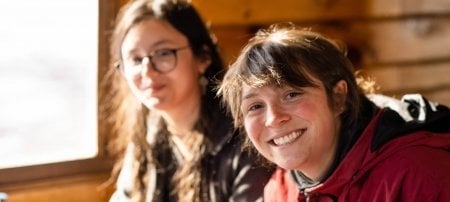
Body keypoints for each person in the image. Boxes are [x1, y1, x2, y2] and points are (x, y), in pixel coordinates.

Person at [217, 24, 450, 201]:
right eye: (255, 106)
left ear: (339, 97)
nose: (273, 118)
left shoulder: (418, 173)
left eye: (292, 94)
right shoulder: (280, 190)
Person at [104, 0, 273, 201]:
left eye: (164, 53)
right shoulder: (148, 132)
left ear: (202, 57)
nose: (147, 71)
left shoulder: (245, 139)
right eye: (135, 59)